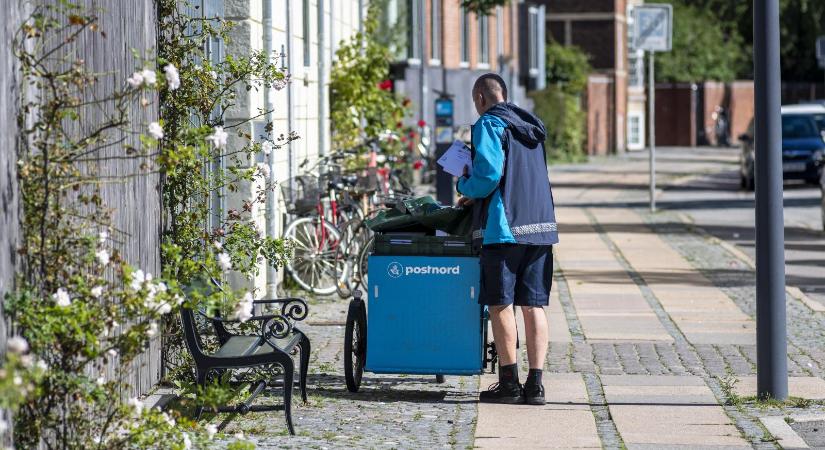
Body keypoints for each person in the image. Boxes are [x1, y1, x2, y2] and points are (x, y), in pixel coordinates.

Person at [456, 73, 558, 405]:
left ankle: (510, 383)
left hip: (504, 229)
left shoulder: (489, 125)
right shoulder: (532, 127)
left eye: (476, 103)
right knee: (535, 304)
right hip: (540, 226)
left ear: (481, 99)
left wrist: (464, 188)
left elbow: (488, 175)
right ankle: (537, 384)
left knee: (501, 303)